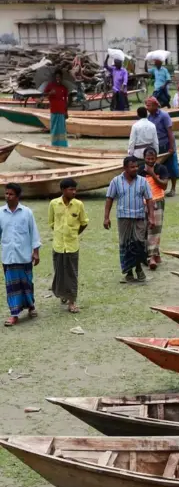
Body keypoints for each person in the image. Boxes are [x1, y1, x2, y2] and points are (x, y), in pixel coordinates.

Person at [104, 156, 154, 284]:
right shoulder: (116, 181)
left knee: (139, 243)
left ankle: (138, 269)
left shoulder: (143, 181)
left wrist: (151, 217)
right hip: (123, 217)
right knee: (125, 244)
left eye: (136, 166)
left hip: (139, 217)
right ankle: (129, 272)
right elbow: (109, 198)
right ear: (125, 168)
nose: (135, 169)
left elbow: (149, 199)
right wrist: (106, 217)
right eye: (132, 167)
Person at [1, 183, 40, 327]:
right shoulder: (0, 213)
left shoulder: (27, 212)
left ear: (17, 196)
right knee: (11, 287)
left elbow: (34, 233)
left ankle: (31, 306)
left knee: (27, 284)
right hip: (8, 257)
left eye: (11, 194)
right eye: (6, 194)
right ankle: (14, 314)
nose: (7, 196)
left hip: (24, 257)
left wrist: (36, 252)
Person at [48, 177, 89, 312]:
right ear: (63, 190)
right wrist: (61, 233)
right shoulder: (54, 204)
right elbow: (52, 223)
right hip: (58, 245)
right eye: (71, 189)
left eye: (75, 189)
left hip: (72, 246)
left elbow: (84, 223)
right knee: (59, 272)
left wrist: (74, 234)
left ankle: (72, 301)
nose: (74, 192)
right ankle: (62, 294)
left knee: (72, 274)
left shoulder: (79, 205)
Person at [139, 147, 168, 270]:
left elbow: (164, 185)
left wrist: (152, 174)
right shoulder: (139, 170)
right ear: (144, 158)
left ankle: (151, 257)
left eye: (152, 158)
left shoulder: (161, 168)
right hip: (143, 203)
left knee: (155, 229)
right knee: (144, 229)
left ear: (156, 158)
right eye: (148, 158)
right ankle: (155, 253)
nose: (150, 161)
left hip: (157, 201)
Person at [146, 96, 179, 197]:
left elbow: (170, 132)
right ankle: (160, 188)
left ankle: (173, 189)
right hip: (156, 146)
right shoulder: (149, 118)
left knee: (172, 167)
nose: (147, 107)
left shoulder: (164, 115)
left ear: (156, 106)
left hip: (167, 144)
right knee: (159, 167)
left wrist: (172, 146)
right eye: (146, 105)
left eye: (149, 105)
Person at [43, 69, 68, 148]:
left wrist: (66, 112)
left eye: (59, 77)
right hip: (53, 110)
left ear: (61, 78)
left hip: (61, 110)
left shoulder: (64, 88)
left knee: (61, 129)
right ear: (54, 77)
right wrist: (50, 93)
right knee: (54, 128)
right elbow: (44, 95)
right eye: (56, 77)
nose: (58, 78)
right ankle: (54, 144)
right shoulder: (50, 86)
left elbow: (66, 100)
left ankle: (62, 144)